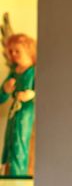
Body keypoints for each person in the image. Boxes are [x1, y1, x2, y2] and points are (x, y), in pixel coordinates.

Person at [0, 34, 36, 177]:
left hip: (26, 113)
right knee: (9, 142)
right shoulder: (14, 72)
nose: (14, 55)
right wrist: (5, 90)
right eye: (11, 51)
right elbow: (1, 97)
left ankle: (18, 175)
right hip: (14, 113)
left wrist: (32, 94)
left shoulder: (33, 71)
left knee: (20, 143)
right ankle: (7, 174)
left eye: (17, 51)